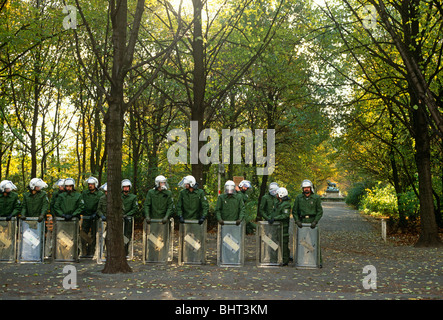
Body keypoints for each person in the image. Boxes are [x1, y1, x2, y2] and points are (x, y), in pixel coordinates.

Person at [80, 177, 104, 257]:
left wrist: (96, 213)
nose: (90, 186)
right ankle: (83, 252)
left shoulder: (100, 194)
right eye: (89, 184)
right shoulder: (84, 193)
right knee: (83, 233)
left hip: (95, 217)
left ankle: (92, 252)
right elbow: (81, 203)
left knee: (94, 234)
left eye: (92, 184)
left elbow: (100, 205)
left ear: (95, 185)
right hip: (86, 216)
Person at [269, 187, 291, 266]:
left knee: (284, 245)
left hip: (283, 228)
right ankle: (273, 259)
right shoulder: (277, 203)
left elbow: (285, 215)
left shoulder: (286, 205)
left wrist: (275, 219)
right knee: (273, 243)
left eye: (277, 194)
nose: (276, 195)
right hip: (276, 227)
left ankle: (285, 260)